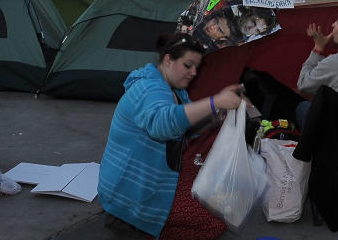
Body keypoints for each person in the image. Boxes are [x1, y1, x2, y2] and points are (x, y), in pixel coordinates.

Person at [98, 33, 243, 240]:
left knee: (217, 193)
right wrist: (215, 102)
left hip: (149, 179)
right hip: (130, 194)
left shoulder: (172, 90)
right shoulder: (148, 88)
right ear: (168, 60)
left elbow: (182, 129)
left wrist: (218, 115)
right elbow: (163, 125)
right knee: (216, 216)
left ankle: (152, 228)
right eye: (188, 65)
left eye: (196, 67)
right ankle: (142, 228)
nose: (193, 72)